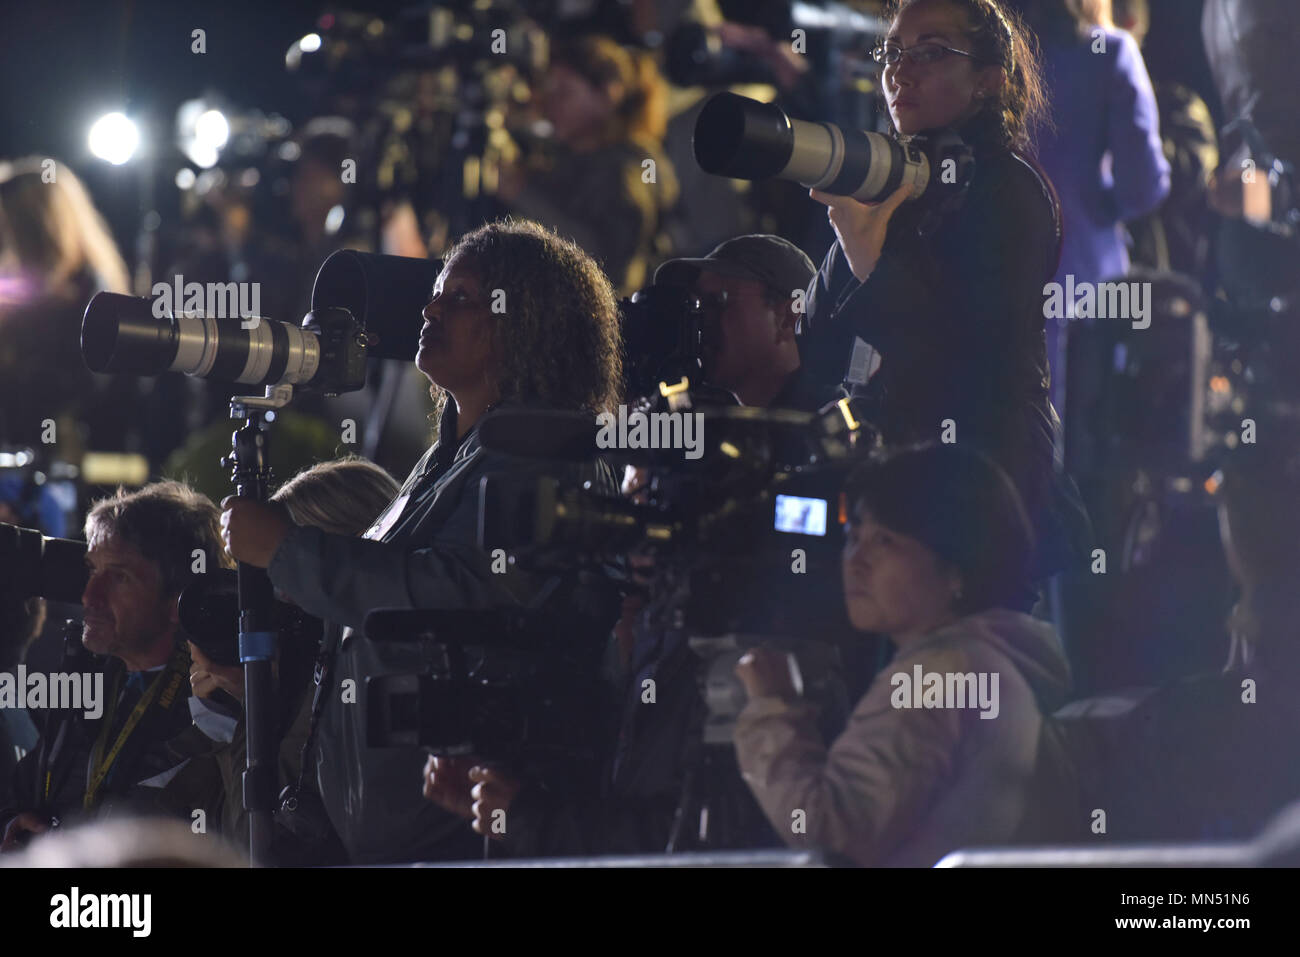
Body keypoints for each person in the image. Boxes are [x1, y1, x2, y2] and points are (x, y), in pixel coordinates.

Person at [222, 219, 624, 864]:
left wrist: (291, 552)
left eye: (460, 299)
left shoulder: (549, 457)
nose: (432, 307)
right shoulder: (451, 456)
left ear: (527, 322)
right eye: (435, 294)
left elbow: (465, 595)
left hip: (465, 843)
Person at [799, 0, 1089, 590]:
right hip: (888, 495)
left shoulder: (1011, 190)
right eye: (892, 53)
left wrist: (867, 258)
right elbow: (819, 344)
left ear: (989, 81)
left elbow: (960, 359)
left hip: (982, 496)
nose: (900, 72)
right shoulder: (891, 182)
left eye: (930, 52)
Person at [733, 443, 1077, 866]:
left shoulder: (940, 674)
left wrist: (772, 709)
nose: (856, 561)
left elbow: (832, 834)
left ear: (956, 568)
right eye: (853, 537)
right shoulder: (990, 661)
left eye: (885, 541)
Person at [186, 457, 399, 863]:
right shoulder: (311, 668)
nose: (281, 603)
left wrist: (259, 706)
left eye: (286, 577)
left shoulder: (352, 679)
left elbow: (255, 847)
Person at [1, 481, 231, 852]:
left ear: (180, 598)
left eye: (120, 577)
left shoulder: (218, 706)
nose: (89, 595)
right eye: (92, 570)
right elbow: (23, 789)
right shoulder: (86, 676)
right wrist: (13, 823)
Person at [1011, 0, 1170, 414]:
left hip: (987, 276)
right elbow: (1143, 187)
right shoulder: (1110, 52)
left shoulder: (991, 53)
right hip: (1081, 279)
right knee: (1073, 445)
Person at [500, 35, 679, 296]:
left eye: (565, 92)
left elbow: (609, 263)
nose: (552, 104)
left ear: (608, 95)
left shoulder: (628, 170)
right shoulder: (569, 155)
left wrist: (521, 192)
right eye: (549, 91)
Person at [0, 157, 131, 460]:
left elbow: (85, 384)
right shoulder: (24, 289)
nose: (7, 241)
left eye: (12, 227)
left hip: (60, 455)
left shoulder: (88, 292)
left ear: (40, 226)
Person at [653, 234, 825, 411]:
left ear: (788, 319)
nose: (700, 319)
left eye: (718, 301)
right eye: (698, 304)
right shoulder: (744, 432)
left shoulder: (838, 429)